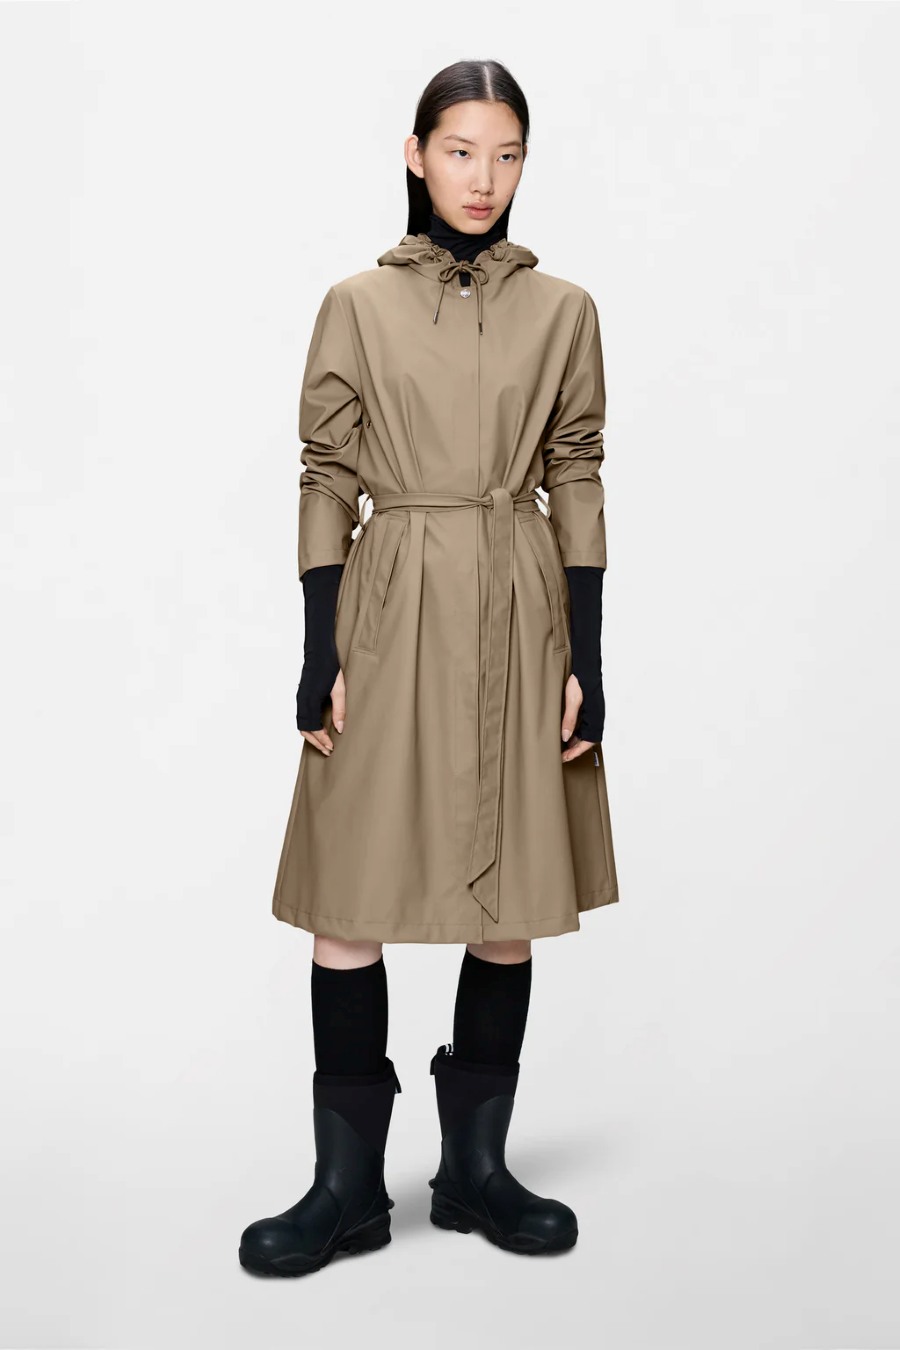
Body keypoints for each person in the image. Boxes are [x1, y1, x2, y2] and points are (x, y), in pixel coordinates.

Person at [239, 59, 619, 1278]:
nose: (483, 177)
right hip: (391, 600)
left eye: (506, 154)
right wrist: (319, 648)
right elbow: (325, 474)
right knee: (349, 899)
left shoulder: (563, 310)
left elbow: (576, 474)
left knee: (507, 902)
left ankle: (475, 1172)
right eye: (460, 150)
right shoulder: (357, 303)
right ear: (415, 155)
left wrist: (587, 655)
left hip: (517, 607)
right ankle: (345, 1188)